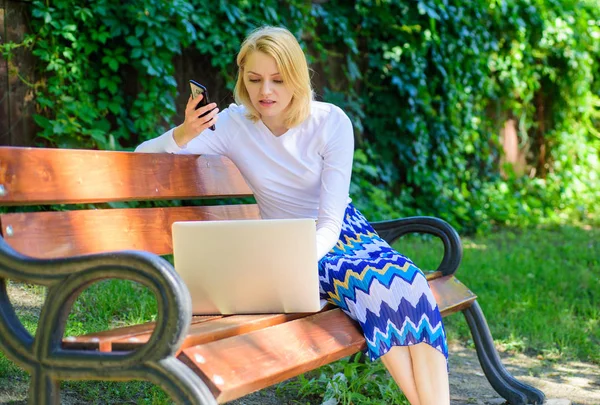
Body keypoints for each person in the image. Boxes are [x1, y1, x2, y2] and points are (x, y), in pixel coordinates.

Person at [136, 26, 450, 405]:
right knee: (372, 288)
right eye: (254, 79)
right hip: (286, 239)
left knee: (407, 282)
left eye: (277, 80)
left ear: (297, 78)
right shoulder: (234, 125)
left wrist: (298, 260)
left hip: (338, 233)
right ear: (242, 79)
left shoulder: (331, 122)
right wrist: (185, 133)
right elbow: (142, 159)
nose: (265, 91)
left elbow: (331, 222)